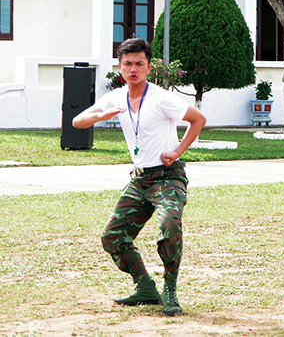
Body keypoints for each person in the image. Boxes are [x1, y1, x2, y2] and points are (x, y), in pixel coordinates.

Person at [73, 38, 206, 316]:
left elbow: (198, 120)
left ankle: (170, 289)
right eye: (128, 64)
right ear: (120, 67)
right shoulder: (115, 97)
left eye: (139, 64)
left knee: (169, 224)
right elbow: (77, 122)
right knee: (112, 236)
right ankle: (145, 286)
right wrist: (101, 116)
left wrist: (177, 150)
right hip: (139, 179)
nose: (133, 69)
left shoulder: (161, 97)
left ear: (148, 67)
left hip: (168, 177)